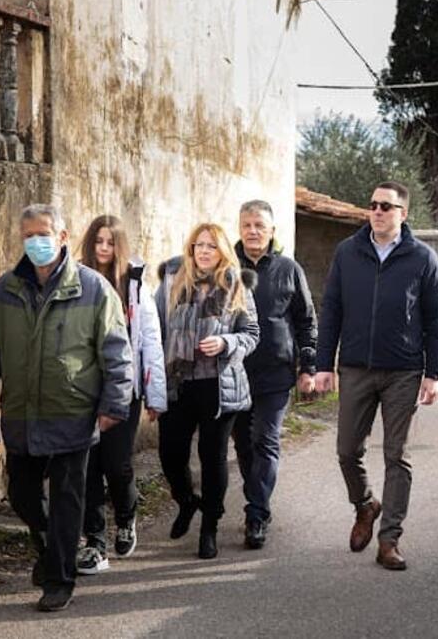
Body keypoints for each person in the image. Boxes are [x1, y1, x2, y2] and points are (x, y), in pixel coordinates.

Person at [0, 204, 133, 612]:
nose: (35, 242)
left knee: (67, 498)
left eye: (43, 234)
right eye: (27, 235)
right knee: (21, 494)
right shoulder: (3, 290)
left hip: (73, 413)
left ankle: (60, 579)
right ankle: (52, 543)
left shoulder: (93, 290)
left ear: (62, 237)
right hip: (22, 415)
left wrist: (114, 403)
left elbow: (117, 353)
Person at [314, 181, 438, 571]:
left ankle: (389, 540)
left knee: (396, 456)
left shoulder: (422, 258)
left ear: (403, 213)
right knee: (346, 450)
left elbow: (434, 320)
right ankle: (366, 504)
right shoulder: (348, 252)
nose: (377, 211)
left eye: (386, 206)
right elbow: (331, 310)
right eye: (372, 205)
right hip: (355, 366)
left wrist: (433, 373)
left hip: (404, 370)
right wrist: (324, 365)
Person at [155, 222, 260, 559]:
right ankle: (187, 501)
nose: (204, 251)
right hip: (179, 382)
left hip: (219, 385)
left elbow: (252, 333)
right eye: (199, 245)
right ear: (191, 249)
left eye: (211, 246)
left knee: (213, 460)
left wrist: (227, 341)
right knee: (170, 454)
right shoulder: (173, 280)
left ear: (222, 252)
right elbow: (156, 327)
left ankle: (209, 527)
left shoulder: (235, 285)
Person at [73, 215, 167, 575]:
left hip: (124, 389)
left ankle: (127, 515)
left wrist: (155, 396)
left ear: (120, 247)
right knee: (88, 467)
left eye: (110, 243)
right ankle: (95, 542)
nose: (103, 249)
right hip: (83, 390)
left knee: (118, 464)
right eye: (98, 241)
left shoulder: (135, 286)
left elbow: (150, 343)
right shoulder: (76, 279)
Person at [232, 200, 317, 549]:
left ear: (271, 231)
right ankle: (259, 501)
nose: (253, 231)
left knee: (266, 440)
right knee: (243, 445)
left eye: (260, 226)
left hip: (275, 373)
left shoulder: (289, 268)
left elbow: (306, 320)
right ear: (239, 228)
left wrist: (308, 366)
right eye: (247, 225)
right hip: (234, 373)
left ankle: (256, 514)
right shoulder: (226, 267)